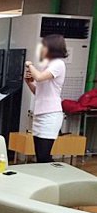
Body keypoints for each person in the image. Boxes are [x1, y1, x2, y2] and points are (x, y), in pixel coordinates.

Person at [25, 34, 68, 163]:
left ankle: (53, 174)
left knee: (44, 156)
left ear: (52, 48)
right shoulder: (47, 66)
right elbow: (38, 92)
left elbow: (38, 77)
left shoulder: (58, 64)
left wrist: (30, 65)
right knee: (40, 156)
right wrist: (28, 82)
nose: (41, 49)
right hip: (39, 114)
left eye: (43, 46)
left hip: (50, 115)